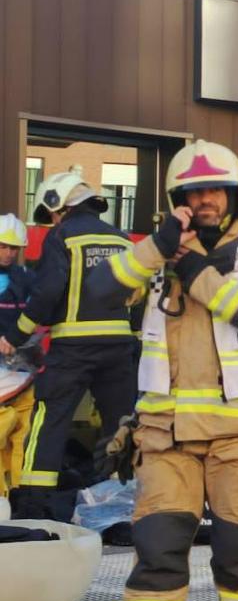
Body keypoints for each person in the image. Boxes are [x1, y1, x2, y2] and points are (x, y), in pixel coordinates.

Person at [79, 140, 238, 601]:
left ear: (235, 194)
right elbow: (98, 293)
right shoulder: (154, 254)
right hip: (164, 435)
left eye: (214, 189)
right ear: (176, 199)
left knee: (237, 554)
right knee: (157, 552)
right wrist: (156, 250)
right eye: (192, 192)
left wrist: (193, 268)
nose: (204, 200)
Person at [1, 171, 138, 520]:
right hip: (119, 346)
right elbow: (137, 291)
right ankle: (117, 502)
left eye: (53, 215)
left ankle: (34, 507)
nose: (53, 222)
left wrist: (16, 335)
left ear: (58, 204)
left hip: (73, 347)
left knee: (50, 420)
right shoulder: (121, 238)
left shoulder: (62, 235)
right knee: (120, 424)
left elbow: (47, 293)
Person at [0, 214, 38, 497]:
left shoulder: (26, 278)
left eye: (14, 248)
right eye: (3, 246)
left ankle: (17, 494)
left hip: (22, 370)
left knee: (22, 436)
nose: (9, 253)